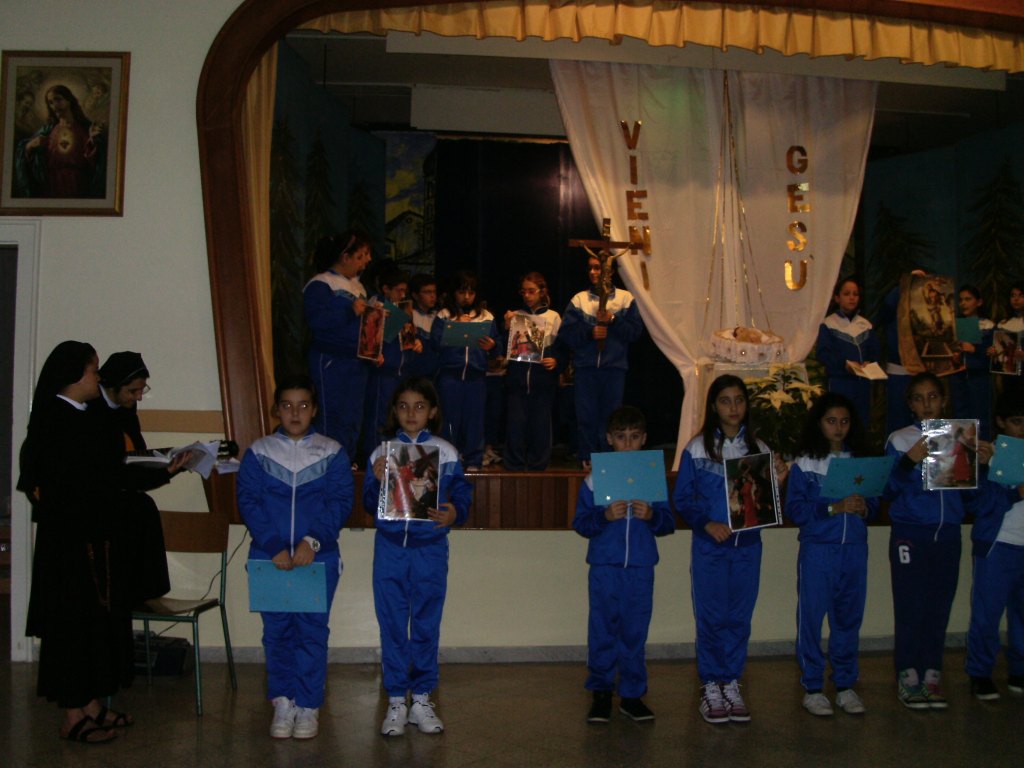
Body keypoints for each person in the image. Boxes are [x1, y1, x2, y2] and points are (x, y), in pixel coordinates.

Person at [18, 341, 134, 744]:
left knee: (93, 626)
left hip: (95, 538)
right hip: (67, 545)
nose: (98, 378)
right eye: (92, 370)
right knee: (70, 626)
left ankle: (91, 704)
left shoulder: (91, 414)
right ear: (72, 375)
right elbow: (47, 481)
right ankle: (72, 714)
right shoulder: (53, 418)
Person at [237, 374, 353, 740]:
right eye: (287, 405)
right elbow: (249, 501)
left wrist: (312, 541)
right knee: (276, 634)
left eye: (303, 405)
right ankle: (283, 702)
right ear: (277, 410)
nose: (295, 413)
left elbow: (339, 502)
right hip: (269, 558)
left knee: (311, 633)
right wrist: (273, 545)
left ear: (314, 409)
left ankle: (308, 705)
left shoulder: (331, 452)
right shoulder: (259, 452)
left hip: (316, 559)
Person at [672, 374, 788, 724]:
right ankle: (711, 684)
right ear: (713, 406)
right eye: (725, 400)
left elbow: (767, 504)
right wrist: (706, 523)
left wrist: (779, 482)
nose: (733, 407)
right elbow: (683, 498)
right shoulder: (697, 448)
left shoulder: (760, 448)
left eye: (739, 400)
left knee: (738, 617)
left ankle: (731, 682)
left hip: (748, 547)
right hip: (710, 547)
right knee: (711, 618)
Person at [363, 377, 473, 737]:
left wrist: (455, 512)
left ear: (433, 412)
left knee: (426, 623)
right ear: (395, 411)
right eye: (404, 406)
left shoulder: (447, 452)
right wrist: (377, 481)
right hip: (391, 549)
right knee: (393, 624)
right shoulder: (382, 453)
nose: (411, 413)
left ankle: (422, 698)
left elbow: (462, 495)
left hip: (430, 549)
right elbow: (369, 503)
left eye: (420, 406)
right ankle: (396, 700)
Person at [882, 371, 995, 709]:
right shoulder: (900, 439)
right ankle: (907, 675)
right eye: (919, 398)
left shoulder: (960, 436)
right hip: (911, 533)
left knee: (939, 606)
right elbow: (885, 490)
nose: (927, 404)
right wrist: (908, 461)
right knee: (910, 607)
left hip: (947, 534)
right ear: (910, 404)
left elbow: (974, 501)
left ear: (943, 400)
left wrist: (982, 467)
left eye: (933, 396)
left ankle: (932, 674)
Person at [573, 406, 674, 723]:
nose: (628, 444)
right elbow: (581, 523)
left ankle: (631, 695)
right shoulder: (595, 480)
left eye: (634, 437)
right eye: (621, 437)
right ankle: (601, 693)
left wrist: (652, 515)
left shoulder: (652, 477)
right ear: (609, 439)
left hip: (641, 568)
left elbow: (667, 523)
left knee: (634, 632)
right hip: (605, 567)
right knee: (602, 630)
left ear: (644, 439)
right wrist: (604, 516)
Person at [785, 392, 877, 716]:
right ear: (819, 423)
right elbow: (795, 509)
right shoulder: (805, 463)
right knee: (811, 618)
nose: (838, 428)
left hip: (854, 550)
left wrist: (865, 507)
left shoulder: (861, 461)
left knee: (849, 618)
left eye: (844, 421)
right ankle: (812, 687)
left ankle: (845, 684)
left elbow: (874, 503)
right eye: (831, 421)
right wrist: (831, 508)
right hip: (819, 550)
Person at [90, 351, 190, 604]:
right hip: (98, 500)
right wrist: (162, 471)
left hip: (122, 492)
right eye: (133, 391)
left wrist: (168, 467)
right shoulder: (92, 410)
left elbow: (135, 454)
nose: (138, 397)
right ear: (113, 385)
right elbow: (109, 467)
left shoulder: (126, 409)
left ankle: (143, 594)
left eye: (142, 390)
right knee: (136, 510)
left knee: (143, 508)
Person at [965, 393, 1024, 700]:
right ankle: (980, 673)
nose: (1022, 429)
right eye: (1016, 422)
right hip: (998, 544)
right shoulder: (987, 454)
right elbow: (977, 504)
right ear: (1001, 422)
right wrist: (1013, 490)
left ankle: (1019, 670)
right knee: (987, 614)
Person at [560, 254, 644, 467]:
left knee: (611, 418)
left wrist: (613, 320)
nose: (593, 272)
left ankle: (609, 462)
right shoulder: (579, 300)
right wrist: (590, 332)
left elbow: (635, 332)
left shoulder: (625, 299)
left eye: (598, 268)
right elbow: (567, 334)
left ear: (611, 271)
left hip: (614, 369)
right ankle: (587, 459)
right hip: (586, 369)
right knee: (585, 416)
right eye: (590, 268)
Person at [304, 230, 373, 460]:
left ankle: (347, 464)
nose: (366, 261)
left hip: (356, 363)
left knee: (352, 418)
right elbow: (316, 321)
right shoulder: (321, 283)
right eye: (361, 256)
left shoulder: (358, 287)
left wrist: (373, 349)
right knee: (330, 416)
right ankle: (326, 465)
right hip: (331, 360)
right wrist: (349, 311)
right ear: (345, 257)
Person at [431, 270, 498, 470]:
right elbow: (434, 343)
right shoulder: (444, 315)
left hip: (476, 377)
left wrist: (492, 346)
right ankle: (448, 460)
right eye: (462, 292)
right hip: (450, 376)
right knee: (449, 420)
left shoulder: (486, 316)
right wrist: (453, 328)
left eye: (471, 292)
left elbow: (498, 346)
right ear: (454, 293)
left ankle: (473, 460)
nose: (466, 297)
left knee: (474, 420)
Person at [503, 271, 563, 471]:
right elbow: (504, 349)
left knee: (540, 427)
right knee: (515, 427)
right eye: (524, 292)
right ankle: (514, 467)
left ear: (542, 291)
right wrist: (507, 329)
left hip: (542, 383)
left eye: (531, 291)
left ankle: (539, 468)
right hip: (517, 382)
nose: (527, 296)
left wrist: (556, 361)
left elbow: (562, 347)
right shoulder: (516, 316)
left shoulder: (553, 316)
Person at [362, 265, 420, 462]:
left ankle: (396, 462)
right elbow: (367, 343)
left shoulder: (404, 308)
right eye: (398, 290)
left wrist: (416, 343)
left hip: (401, 374)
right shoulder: (375, 306)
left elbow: (409, 339)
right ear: (386, 289)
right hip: (382, 375)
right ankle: (375, 461)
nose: (402, 294)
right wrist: (374, 354)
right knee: (379, 420)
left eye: (405, 290)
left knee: (398, 419)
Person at [14, 84, 107, 198]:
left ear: (69, 100)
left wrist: (93, 141)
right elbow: (27, 157)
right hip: (52, 186)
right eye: (50, 102)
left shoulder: (85, 128)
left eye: (58, 99)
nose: (54, 105)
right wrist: (29, 146)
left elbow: (96, 164)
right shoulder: (47, 130)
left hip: (78, 185)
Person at [815, 276, 880, 430]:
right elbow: (823, 353)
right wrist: (844, 364)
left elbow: (875, 351)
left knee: (861, 423)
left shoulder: (865, 324)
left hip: (862, 384)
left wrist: (869, 362)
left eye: (855, 294)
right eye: (846, 294)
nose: (852, 297)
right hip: (840, 383)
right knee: (840, 422)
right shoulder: (829, 324)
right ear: (837, 298)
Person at [950, 285, 994, 439]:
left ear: (979, 302)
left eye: (968, 299)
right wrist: (955, 356)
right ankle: (963, 451)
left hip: (979, 378)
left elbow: (992, 356)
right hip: (959, 377)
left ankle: (982, 450)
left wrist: (975, 349)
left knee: (981, 419)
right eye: (961, 300)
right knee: (960, 417)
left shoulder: (987, 326)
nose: (963, 303)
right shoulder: (955, 325)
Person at [403, 273, 441, 379]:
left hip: (434, 375)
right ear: (415, 295)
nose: (432, 296)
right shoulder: (409, 315)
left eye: (434, 292)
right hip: (412, 374)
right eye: (427, 292)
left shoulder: (439, 316)